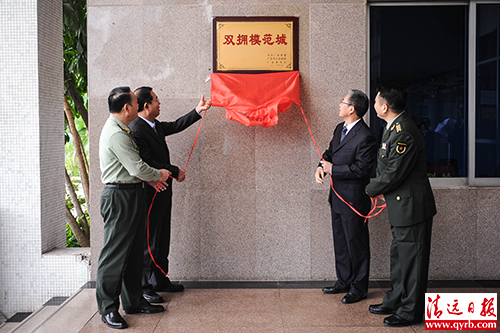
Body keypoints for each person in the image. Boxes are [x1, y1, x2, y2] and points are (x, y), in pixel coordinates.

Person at [97, 86, 172, 330]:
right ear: (127, 107)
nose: (139, 106)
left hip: (132, 193)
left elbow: (134, 168)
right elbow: (137, 167)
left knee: (133, 252)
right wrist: (158, 174)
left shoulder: (123, 129)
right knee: (114, 255)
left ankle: (134, 301)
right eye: (135, 103)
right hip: (120, 197)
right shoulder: (116, 133)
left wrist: (149, 178)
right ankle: (108, 309)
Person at [129, 87, 211, 303]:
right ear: (146, 105)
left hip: (164, 190)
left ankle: (160, 279)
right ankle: (145, 286)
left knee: (162, 235)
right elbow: (146, 162)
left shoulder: (154, 126)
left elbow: (175, 125)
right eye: (156, 100)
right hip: (151, 191)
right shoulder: (137, 128)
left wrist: (197, 110)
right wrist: (174, 171)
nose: (159, 103)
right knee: (150, 238)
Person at [365, 85, 436, 327]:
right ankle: (394, 300)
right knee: (399, 257)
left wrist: (368, 191)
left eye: (376, 101)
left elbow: (394, 173)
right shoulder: (392, 127)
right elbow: (386, 168)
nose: (373, 105)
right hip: (400, 206)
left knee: (412, 262)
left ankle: (410, 311)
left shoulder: (403, 131)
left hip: (412, 208)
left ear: (385, 107)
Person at [316, 89, 378, 304]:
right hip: (336, 196)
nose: (339, 105)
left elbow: (362, 169)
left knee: (356, 243)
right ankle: (343, 281)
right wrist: (320, 167)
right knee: (341, 241)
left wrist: (333, 169)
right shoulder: (339, 129)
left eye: (342, 102)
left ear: (352, 109)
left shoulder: (366, 136)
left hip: (353, 199)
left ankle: (358, 288)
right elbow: (330, 152)